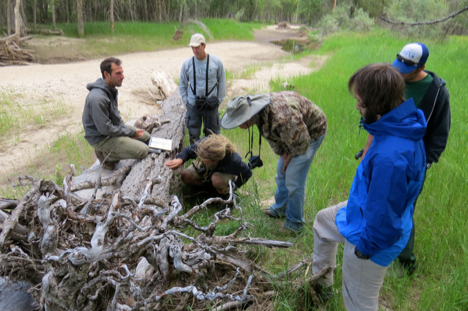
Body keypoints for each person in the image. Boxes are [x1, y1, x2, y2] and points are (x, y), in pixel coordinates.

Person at [312, 64, 427, 310]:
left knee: (358, 304)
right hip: (364, 212)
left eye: (360, 101)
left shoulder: (390, 157)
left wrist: (363, 251)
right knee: (323, 221)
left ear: (376, 104)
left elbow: (382, 219)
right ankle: (320, 288)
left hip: (373, 237)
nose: (356, 106)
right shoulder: (400, 124)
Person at [361, 43, 451, 273]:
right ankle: (374, 245)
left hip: (412, 160)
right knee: (377, 199)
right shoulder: (391, 79)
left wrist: (426, 161)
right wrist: (367, 150)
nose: (400, 70)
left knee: (402, 207)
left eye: (406, 67)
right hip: (386, 152)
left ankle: (403, 260)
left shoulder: (436, 91)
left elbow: (440, 131)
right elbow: (378, 118)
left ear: (421, 66)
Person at [220, 91, 327, 235]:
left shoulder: (281, 116)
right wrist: (284, 157)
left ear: (248, 116)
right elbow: (274, 138)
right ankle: (280, 208)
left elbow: (301, 142)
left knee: (293, 180)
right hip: (293, 134)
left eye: (238, 121)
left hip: (311, 132)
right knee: (281, 173)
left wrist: (289, 159)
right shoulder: (260, 114)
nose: (238, 126)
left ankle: (295, 224)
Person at [82, 57, 151, 170]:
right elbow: (105, 129)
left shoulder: (110, 89)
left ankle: (117, 148)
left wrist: (128, 132)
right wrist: (130, 132)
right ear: (106, 74)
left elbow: (115, 118)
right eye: (118, 73)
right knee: (143, 150)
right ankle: (106, 156)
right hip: (102, 138)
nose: (122, 76)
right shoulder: (97, 98)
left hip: (111, 130)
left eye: (122, 72)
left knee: (146, 137)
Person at [165, 134, 252, 195]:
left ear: (217, 159)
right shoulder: (205, 144)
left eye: (206, 160)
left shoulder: (233, 160)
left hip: (223, 173)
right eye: (202, 158)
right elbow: (188, 151)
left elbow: (247, 173)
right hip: (207, 169)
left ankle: (222, 193)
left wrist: (234, 188)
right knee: (185, 176)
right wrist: (180, 159)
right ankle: (209, 190)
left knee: (216, 179)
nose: (204, 161)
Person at [179, 33, 226, 143]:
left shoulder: (216, 62)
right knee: (193, 135)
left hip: (211, 104)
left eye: (197, 47)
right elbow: (182, 85)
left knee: (213, 137)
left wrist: (217, 102)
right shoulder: (187, 64)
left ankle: (212, 159)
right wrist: (188, 103)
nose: (195, 51)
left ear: (204, 46)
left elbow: (222, 83)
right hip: (194, 104)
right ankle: (195, 158)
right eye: (193, 48)